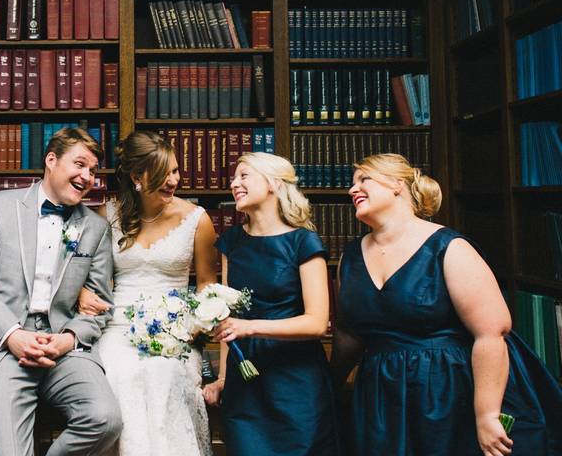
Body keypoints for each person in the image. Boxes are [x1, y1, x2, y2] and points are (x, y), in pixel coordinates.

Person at [331, 153, 562, 456]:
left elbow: (492, 333)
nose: (352, 190)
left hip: (447, 389)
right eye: (352, 183)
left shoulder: (449, 248)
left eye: (363, 179)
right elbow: (349, 336)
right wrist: (328, 387)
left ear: (398, 184)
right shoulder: (349, 257)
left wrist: (487, 415)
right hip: (380, 396)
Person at [0, 127, 122, 456]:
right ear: (51, 160)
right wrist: (12, 334)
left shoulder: (96, 228)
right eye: (80, 164)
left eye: (93, 170)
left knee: (106, 419)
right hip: (1, 348)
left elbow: (101, 307)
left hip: (63, 348)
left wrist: (68, 339)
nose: (87, 176)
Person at [77, 130, 219, 456]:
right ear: (136, 176)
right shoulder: (105, 216)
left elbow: (206, 285)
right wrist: (85, 292)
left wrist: (194, 326)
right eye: (163, 173)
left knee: (163, 373)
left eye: (175, 171)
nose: (173, 180)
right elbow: (88, 276)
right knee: (118, 373)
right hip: (115, 326)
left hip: (175, 328)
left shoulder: (198, 220)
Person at [200, 152, 340, 455]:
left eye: (244, 176)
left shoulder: (304, 243)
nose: (234, 184)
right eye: (234, 178)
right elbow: (228, 319)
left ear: (274, 183)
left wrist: (250, 328)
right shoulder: (232, 242)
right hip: (245, 386)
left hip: (296, 382)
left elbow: (316, 323)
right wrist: (223, 377)